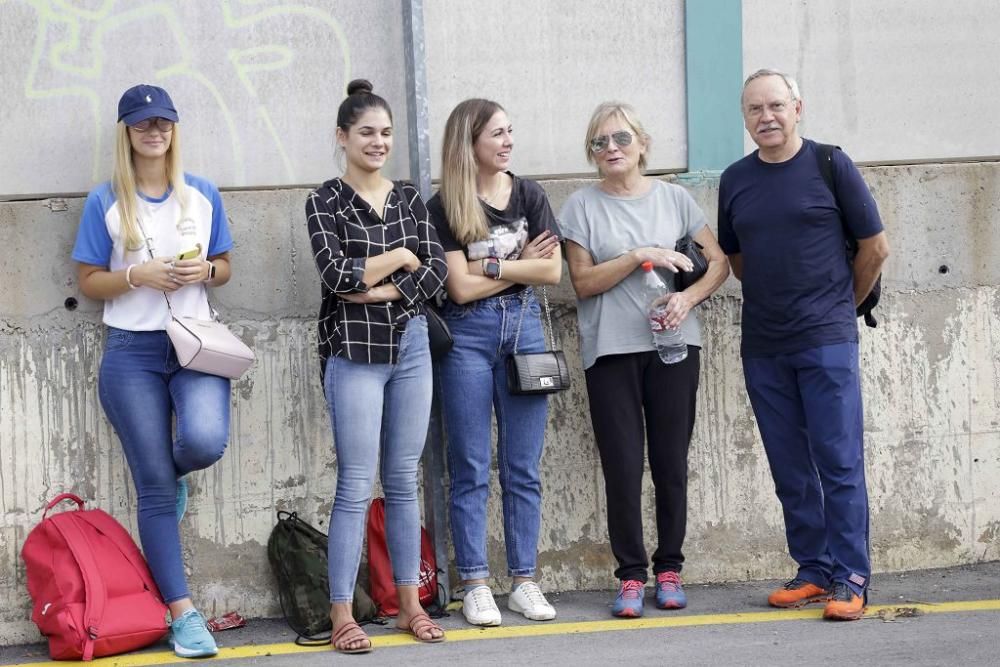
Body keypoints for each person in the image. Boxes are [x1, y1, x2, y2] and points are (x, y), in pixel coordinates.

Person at [717, 69, 890, 621]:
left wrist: (843, 305)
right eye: (753, 110)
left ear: (798, 108)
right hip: (764, 345)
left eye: (775, 106)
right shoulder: (735, 179)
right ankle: (813, 569)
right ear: (744, 118)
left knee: (838, 461)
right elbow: (738, 259)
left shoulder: (829, 164)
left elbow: (875, 248)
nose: (765, 117)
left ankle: (851, 575)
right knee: (790, 466)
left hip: (825, 342)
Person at [72, 84, 234, 658]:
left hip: (194, 345)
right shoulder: (106, 202)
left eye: (163, 122)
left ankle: (173, 476)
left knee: (206, 440)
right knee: (154, 490)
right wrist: (138, 277)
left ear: (174, 129)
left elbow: (226, 265)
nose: (155, 131)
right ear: (127, 132)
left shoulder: (202, 194)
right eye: (143, 124)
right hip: (132, 353)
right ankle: (184, 614)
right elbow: (89, 280)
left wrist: (205, 273)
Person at [559, 101, 729, 618]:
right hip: (610, 351)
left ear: (642, 144)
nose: (611, 149)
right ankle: (631, 576)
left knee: (671, 462)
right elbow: (583, 283)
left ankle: (670, 568)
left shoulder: (675, 200)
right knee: (623, 466)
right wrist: (639, 256)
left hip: (674, 348)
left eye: (621, 139)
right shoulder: (580, 208)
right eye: (600, 142)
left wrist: (687, 299)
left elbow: (718, 263)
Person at [305, 79, 448, 653]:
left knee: (404, 480)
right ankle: (343, 612)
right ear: (342, 137)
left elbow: (435, 277)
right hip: (354, 352)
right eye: (366, 131)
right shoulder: (324, 200)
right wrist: (400, 258)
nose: (378, 141)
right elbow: (337, 278)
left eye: (386, 132)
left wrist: (379, 287)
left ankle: (410, 603)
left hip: (412, 347)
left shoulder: (411, 197)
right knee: (355, 484)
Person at [427, 99, 562, 627]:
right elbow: (458, 289)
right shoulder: (443, 207)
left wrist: (491, 264)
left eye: (510, 131)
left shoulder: (529, 194)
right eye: (497, 134)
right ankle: (477, 582)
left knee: (522, 465)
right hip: (467, 336)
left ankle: (524, 580)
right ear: (470, 144)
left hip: (524, 328)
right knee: (470, 465)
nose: (507, 142)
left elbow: (551, 274)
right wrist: (519, 264)